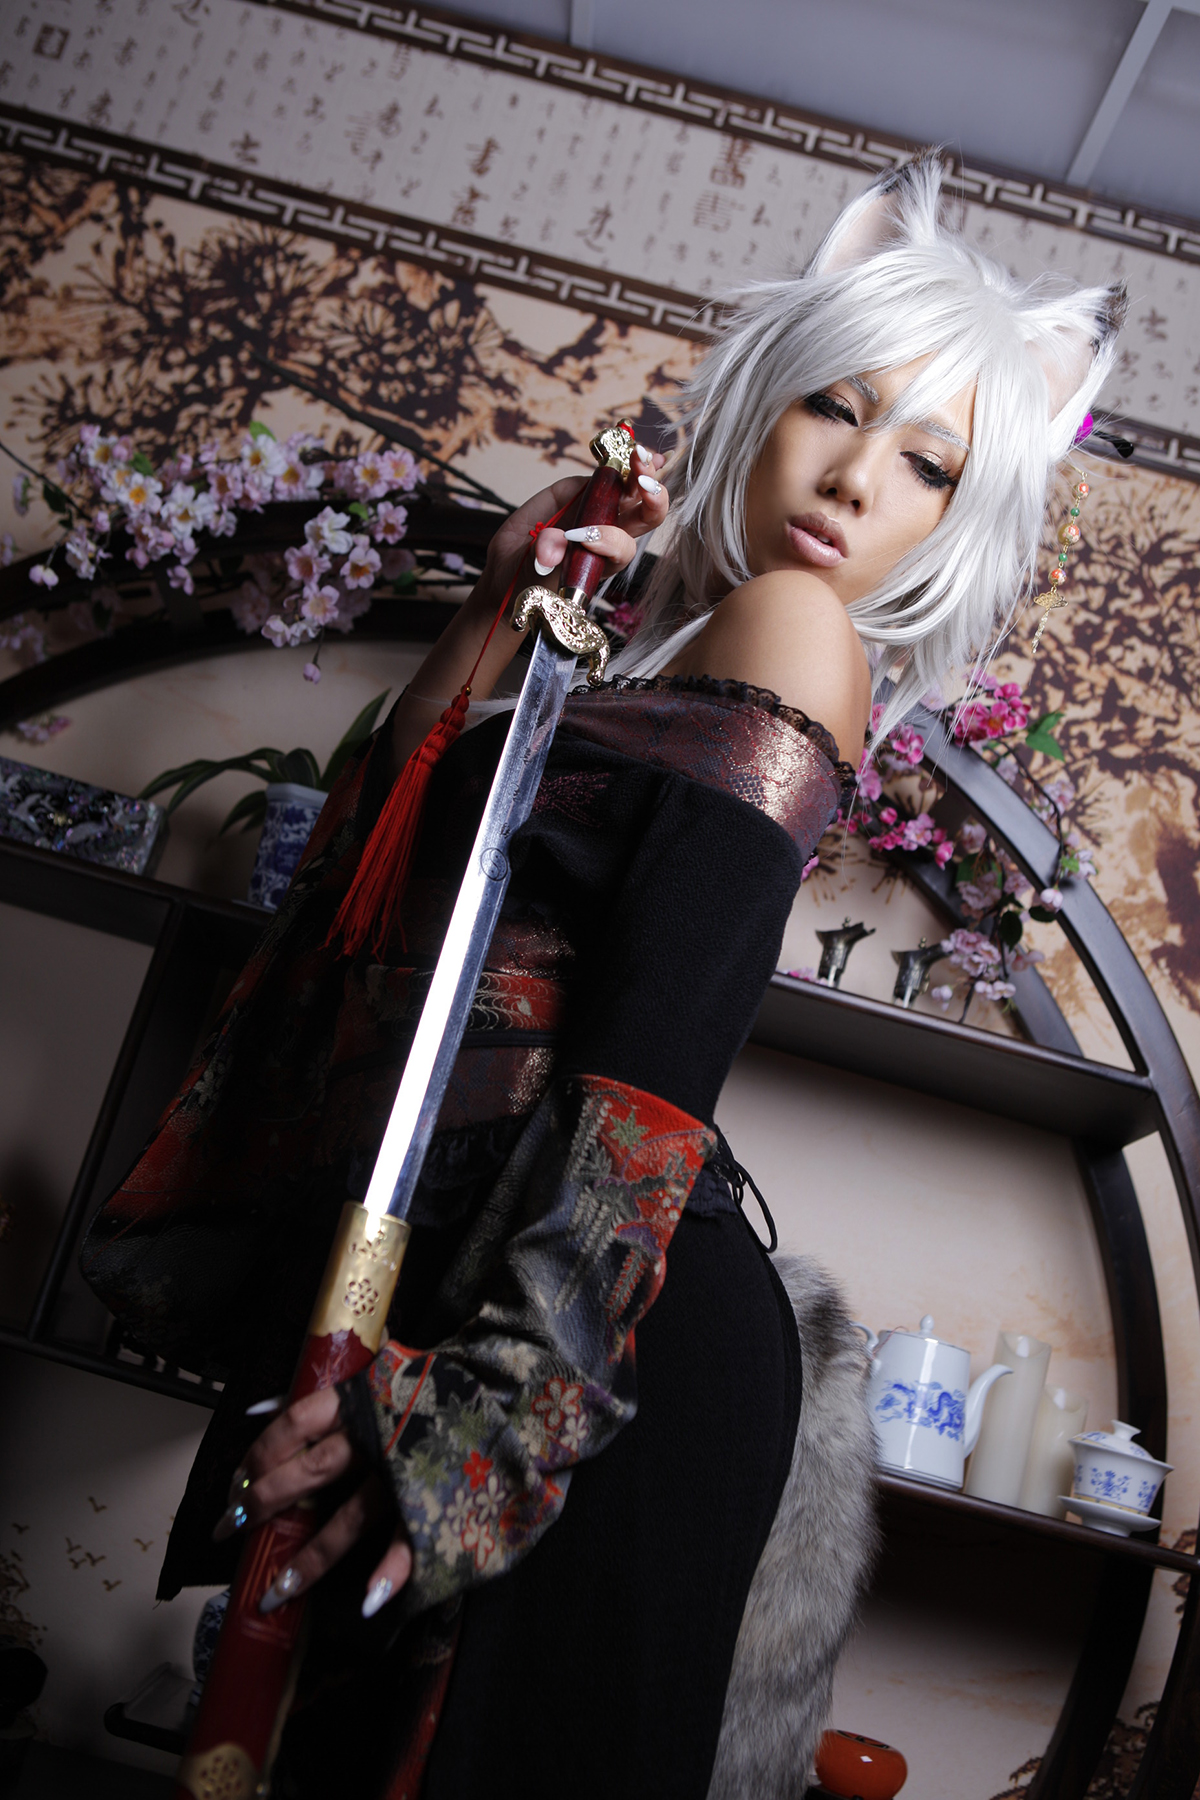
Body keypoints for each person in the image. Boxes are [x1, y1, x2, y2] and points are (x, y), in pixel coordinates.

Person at [81, 157, 1121, 1798]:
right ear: (766, 397)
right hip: (483, 1285)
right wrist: (508, 594)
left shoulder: (797, 627)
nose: (855, 478)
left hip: (579, 1332)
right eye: (834, 407)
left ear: (957, 519)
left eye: (927, 463)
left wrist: (498, 1410)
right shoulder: (655, 646)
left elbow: (657, 1061)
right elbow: (380, 871)